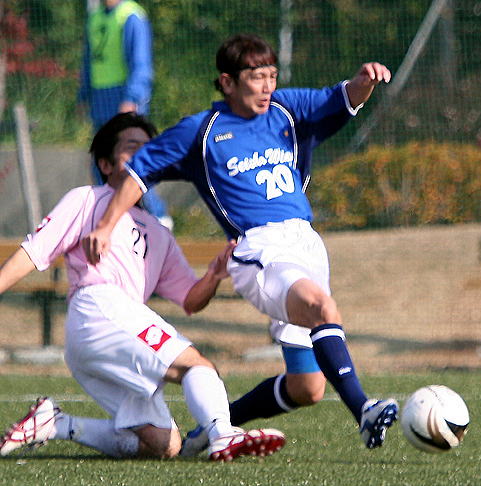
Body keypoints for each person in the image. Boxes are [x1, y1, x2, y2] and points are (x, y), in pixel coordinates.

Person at [81, 33, 399, 450]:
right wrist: (105, 225)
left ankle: (213, 428)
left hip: (306, 244)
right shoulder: (201, 130)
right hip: (259, 250)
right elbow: (138, 172)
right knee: (322, 308)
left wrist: (365, 81)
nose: (267, 86)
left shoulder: (286, 109)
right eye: (256, 77)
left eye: (272, 75)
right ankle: (365, 411)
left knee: (306, 387)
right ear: (228, 82)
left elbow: (340, 98)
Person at [0, 113, 285, 461]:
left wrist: (213, 276)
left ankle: (57, 424)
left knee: (163, 446)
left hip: (107, 331)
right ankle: (223, 434)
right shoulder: (88, 199)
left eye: (149, 150)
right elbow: (34, 252)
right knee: (196, 365)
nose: (143, 156)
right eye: (132, 148)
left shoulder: (157, 231)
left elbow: (190, 300)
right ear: (105, 165)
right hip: (100, 308)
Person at [78, 0, 171, 229]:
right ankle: (112, 223)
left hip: (123, 101)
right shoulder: (95, 17)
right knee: (102, 167)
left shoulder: (131, 16)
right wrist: (83, 95)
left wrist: (132, 98)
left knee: (132, 166)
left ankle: (159, 221)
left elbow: (141, 63)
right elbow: (88, 61)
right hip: (101, 101)